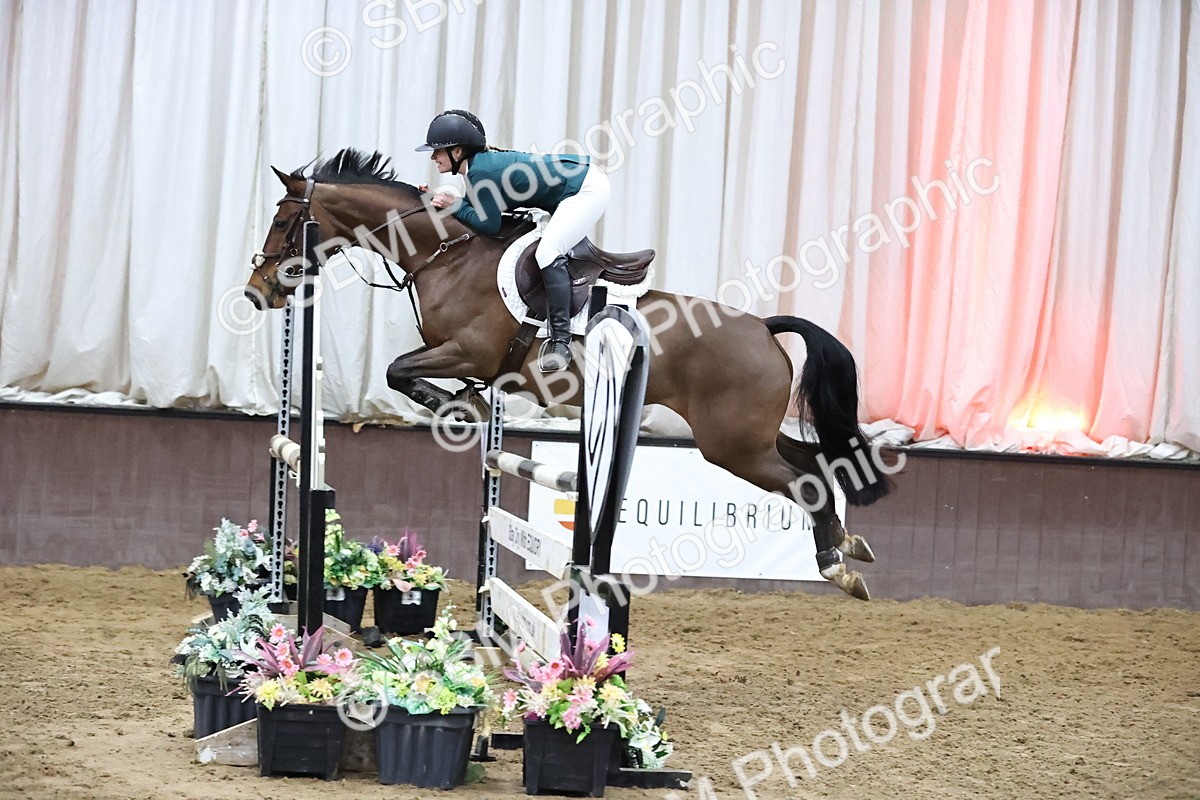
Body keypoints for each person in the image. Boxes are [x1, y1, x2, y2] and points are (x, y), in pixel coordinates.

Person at [417, 109, 610, 372]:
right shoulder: (475, 170)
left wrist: (454, 205)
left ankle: (561, 342)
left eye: (437, 151)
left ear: (458, 152)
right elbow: (474, 211)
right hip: (573, 184)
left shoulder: (479, 173)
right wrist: (445, 202)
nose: (432, 157)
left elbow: (489, 225)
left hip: (586, 189)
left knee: (547, 253)